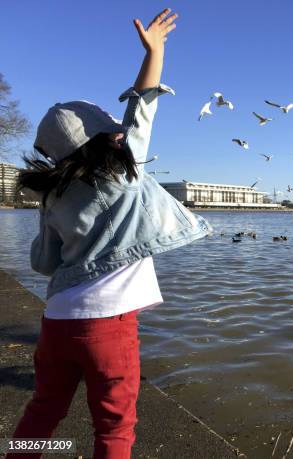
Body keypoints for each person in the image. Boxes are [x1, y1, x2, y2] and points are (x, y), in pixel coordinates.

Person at [7, 8, 210, 459]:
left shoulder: (53, 195)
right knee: (114, 428)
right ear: (105, 138)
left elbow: (43, 261)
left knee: (44, 410)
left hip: (58, 321)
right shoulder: (124, 170)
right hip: (109, 326)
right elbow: (142, 108)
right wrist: (155, 52)